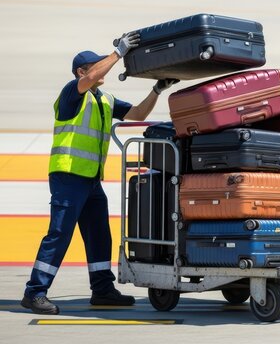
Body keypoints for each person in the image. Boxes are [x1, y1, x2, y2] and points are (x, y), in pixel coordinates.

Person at [21, 32, 179, 315]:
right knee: (59, 234)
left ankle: (103, 290)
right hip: (68, 177)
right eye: (94, 66)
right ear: (82, 72)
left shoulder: (104, 99)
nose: (101, 68)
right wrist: (118, 53)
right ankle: (35, 292)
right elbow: (91, 77)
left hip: (91, 181)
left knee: (99, 236)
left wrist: (157, 90)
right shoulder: (72, 92)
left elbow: (137, 115)